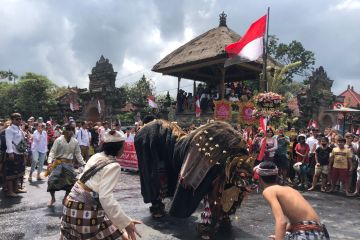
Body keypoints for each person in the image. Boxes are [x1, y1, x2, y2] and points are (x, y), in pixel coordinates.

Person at [60, 130, 142, 240]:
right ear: (118, 148)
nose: (125, 148)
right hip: (85, 210)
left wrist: (126, 222)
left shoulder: (96, 156)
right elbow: (105, 198)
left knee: (115, 230)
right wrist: (127, 223)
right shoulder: (113, 166)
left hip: (72, 203)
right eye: (123, 145)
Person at [254, 161, 330, 240]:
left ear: (260, 178)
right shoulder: (289, 189)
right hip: (320, 233)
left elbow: (281, 222)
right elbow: (293, 222)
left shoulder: (269, 191)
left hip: (306, 232)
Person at [46, 124, 85, 207]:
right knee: (51, 181)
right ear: (64, 131)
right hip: (58, 163)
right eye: (68, 129)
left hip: (69, 164)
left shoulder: (75, 141)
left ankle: (65, 198)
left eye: (71, 130)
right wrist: (49, 162)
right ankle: (52, 198)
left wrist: (84, 163)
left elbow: (78, 154)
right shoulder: (58, 140)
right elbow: (52, 151)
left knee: (72, 182)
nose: (70, 131)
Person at [5, 113, 27, 197]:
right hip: (13, 153)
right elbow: (8, 141)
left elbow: (22, 140)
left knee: (18, 172)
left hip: (20, 153)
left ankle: (16, 189)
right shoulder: (9, 129)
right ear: (12, 120)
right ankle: (10, 191)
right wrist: (10, 153)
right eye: (17, 119)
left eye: (20, 119)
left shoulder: (19, 128)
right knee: (11, 172)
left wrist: (24, 152)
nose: (19, 120)